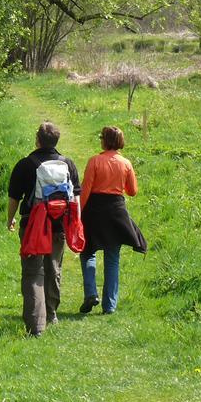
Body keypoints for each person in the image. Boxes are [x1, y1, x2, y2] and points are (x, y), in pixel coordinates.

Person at [7, 121, 81, 336]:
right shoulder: (68, 164)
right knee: (53, 269)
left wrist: (10, 219)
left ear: (37, 140)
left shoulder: (25, 164)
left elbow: (14, 197)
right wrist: (75, 221)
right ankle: (52, 314)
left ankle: (35, 326)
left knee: (32, 273)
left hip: (33, 226)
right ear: (56, 141)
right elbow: (75, 194)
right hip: (59, 225)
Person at [78, 125, 147, 315]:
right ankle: (109, 306)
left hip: (94, 211)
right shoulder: (126, 163)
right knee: (112, 258)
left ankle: (91, 293)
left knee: (87, 252)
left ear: (104, 141)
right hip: (116, 211)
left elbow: (85, 191)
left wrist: (78, 214)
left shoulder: (94, 161)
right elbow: (133, 191)